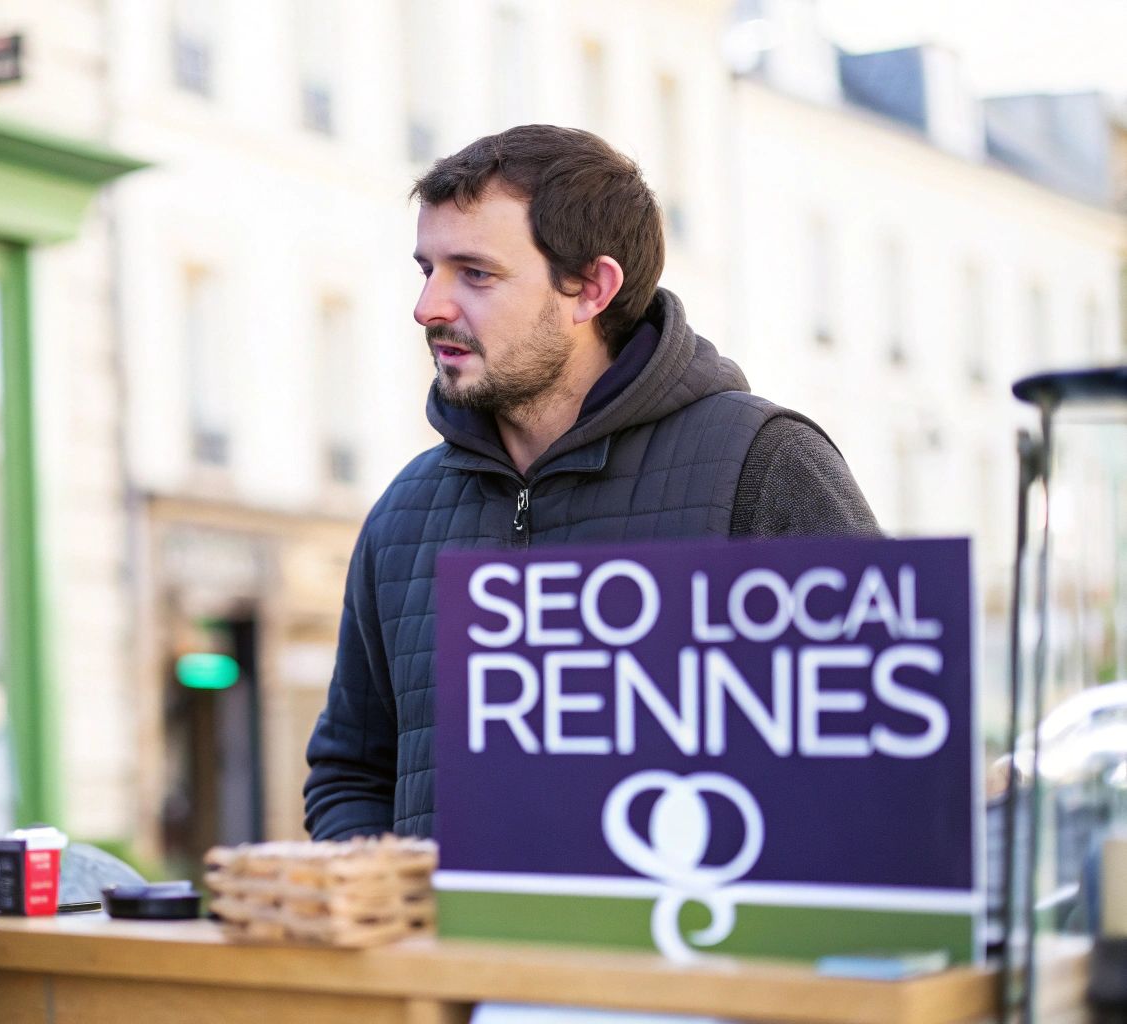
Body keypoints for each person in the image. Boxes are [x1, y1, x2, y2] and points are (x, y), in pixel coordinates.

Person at [303, 125, 879, 842]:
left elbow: (874, 766)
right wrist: (397, 919)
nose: (430, 307)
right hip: (449, 956)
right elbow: (351, 774)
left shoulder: (762, 463)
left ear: (593, 288)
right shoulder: (404, 512)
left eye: (475, 274)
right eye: (428, 269)